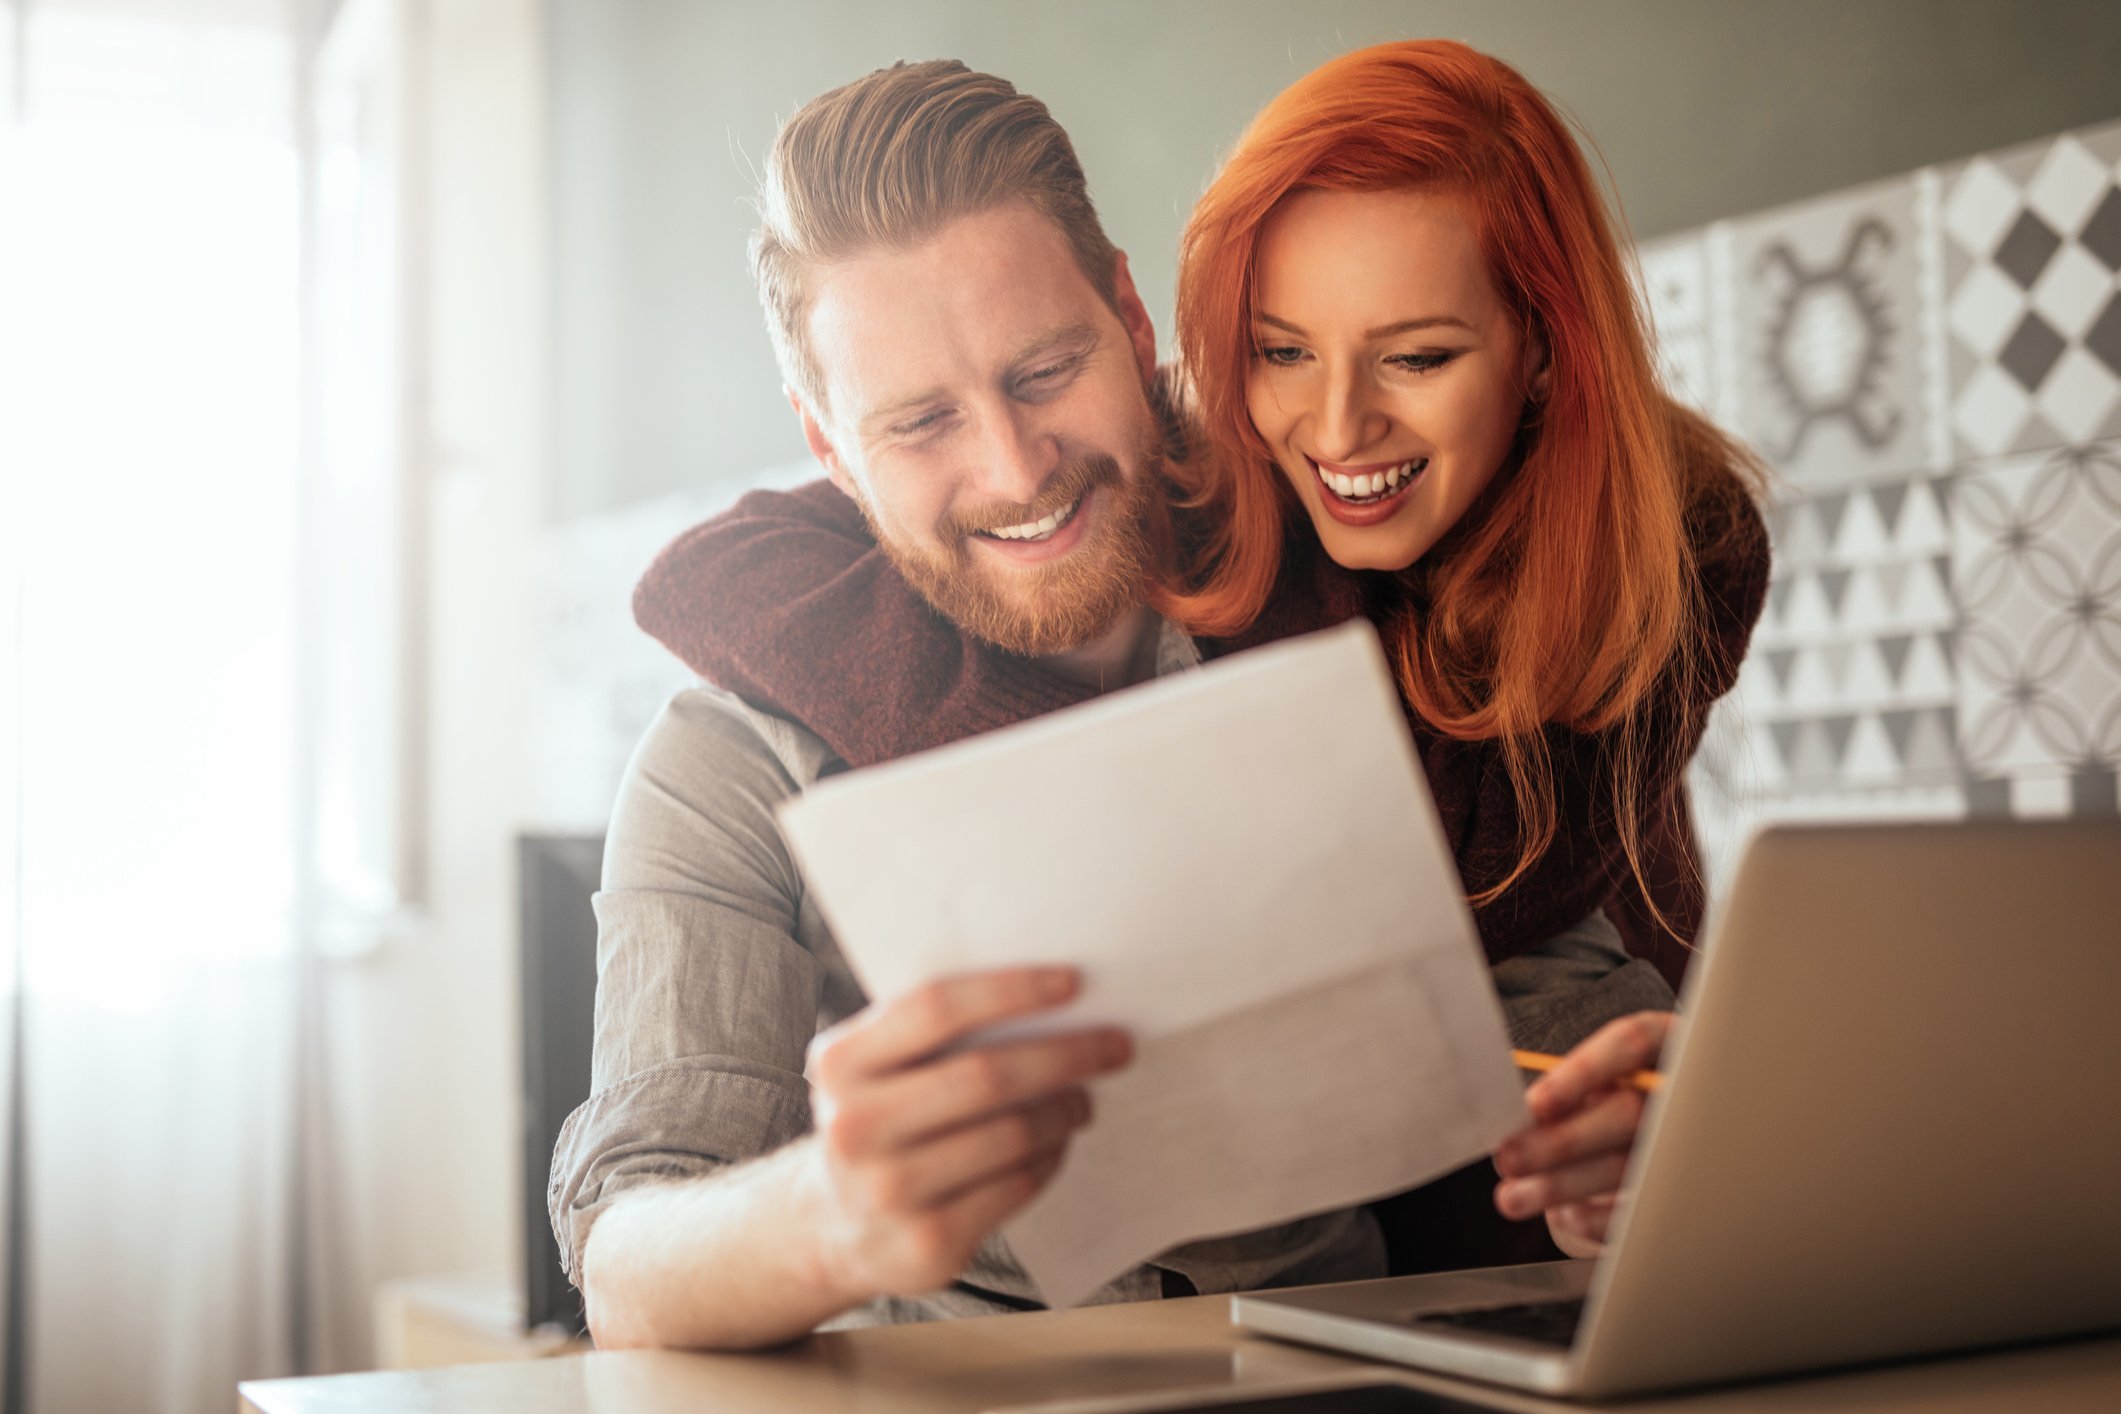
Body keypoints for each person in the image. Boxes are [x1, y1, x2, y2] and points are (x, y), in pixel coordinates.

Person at [558, 50, 1749, 1354]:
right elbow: (624, 1257)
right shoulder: (723, 763)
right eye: (918, 424)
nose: (1013, 467)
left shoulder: (1345, 604)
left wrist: (1646, 1151)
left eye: (1043, 371)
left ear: (1132, 321)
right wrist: (829, 1210)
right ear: (827, 445)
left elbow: (1561, 1000)